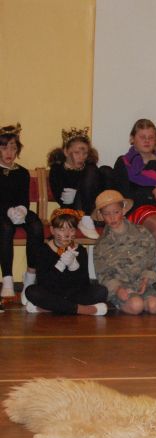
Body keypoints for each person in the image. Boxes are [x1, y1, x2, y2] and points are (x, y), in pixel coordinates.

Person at [111, 119, 156, 270]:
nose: (147, 141)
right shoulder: (124, 162)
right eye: (142, 137)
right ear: (132, 139)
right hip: (139, 209)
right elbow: (123, 196)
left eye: (151, 137)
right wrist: (151, 194)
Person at [24, 208, 107, 315]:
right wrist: (61, 265)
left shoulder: (80, 250)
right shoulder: (43, 250)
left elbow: (83, 283)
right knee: (31, 291)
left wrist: (74, 266)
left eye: (71, 230)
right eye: (61, 229)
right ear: (52, 230)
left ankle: (49, 308)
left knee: (101, 291)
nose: (67, 234)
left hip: (73, 294)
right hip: (52, 292)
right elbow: (45, 283)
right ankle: (84, 310)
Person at [93, 190, 156, 315]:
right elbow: (103, 274)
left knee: (154, 306)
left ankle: (141, 299)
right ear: (101, 216)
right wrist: (117, 289)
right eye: (107, 214)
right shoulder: (101, 244)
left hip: (143, 284)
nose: (112, 217)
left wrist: (145, 280)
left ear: (123, 210)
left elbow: (150, 261)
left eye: (116, 212)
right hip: (121, 289)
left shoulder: (142, 233)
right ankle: (123, 303)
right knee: (136, 305)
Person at [0, 123, 44, 304]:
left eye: (13, 148)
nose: (9, 152)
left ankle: (30, 278)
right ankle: (7, 278)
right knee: (6, 227)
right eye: (4, 148)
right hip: (1, 212)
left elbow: (23, 198)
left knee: (36, 225)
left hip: (18, 210)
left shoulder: (22, 172)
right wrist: (7, 210)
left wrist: (22, 210)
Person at [47, 126, 102, 239]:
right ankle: (85, 219)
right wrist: (73, 195)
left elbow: (96, 194)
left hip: (92, 213)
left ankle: (93, 217)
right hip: (70, 212)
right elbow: (62, 199)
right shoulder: (57, 169)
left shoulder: (90, 169)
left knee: (105, 170)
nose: (81, 157)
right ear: (66, 151)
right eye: (77, 153)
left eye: (85, 153)